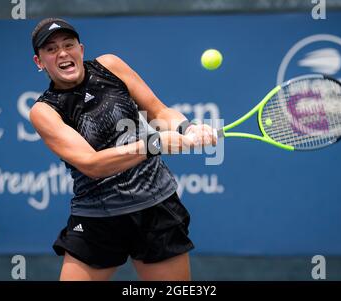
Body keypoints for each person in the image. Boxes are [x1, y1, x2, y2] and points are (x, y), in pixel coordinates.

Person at [29, 18, 216, 281]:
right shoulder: (44, 111)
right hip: (97, 218)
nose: (62, 53)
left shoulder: (110, 66)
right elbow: (92, 164)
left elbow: (159, 111)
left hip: (156, 208)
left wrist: (188, 129)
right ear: (40, 62)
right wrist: (156, 143)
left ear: (80, 50)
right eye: (51, 49)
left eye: (68, 44)